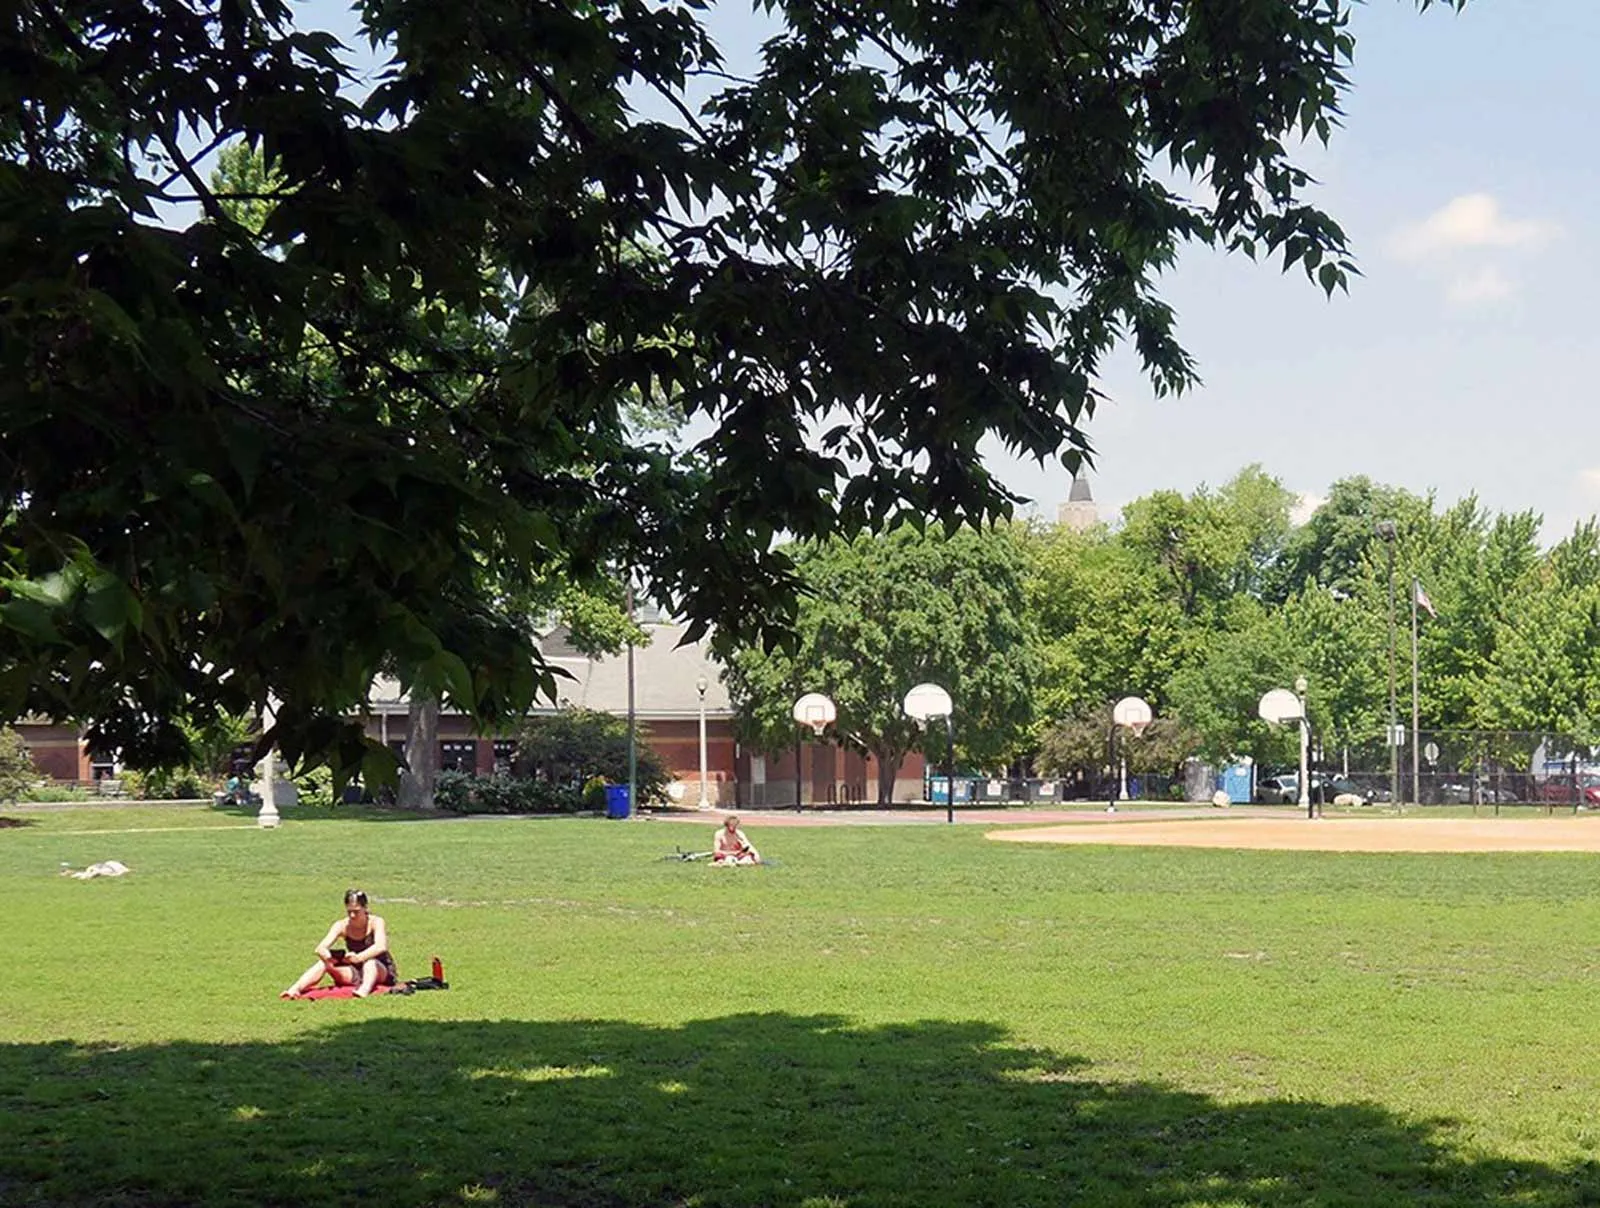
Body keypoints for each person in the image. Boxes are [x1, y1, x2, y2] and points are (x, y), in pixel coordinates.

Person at [281, 888, 398, 998]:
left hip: (379, 969)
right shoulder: (341, 925)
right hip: (354, 971)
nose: (352, 915)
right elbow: (320, 947)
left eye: (356, 911)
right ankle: (294, 989)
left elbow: (380, 946)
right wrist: (328, 956)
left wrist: (359, 957)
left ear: (365, 908)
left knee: (370, 963)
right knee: (323, 963)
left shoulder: (376, 922)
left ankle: (364, 990)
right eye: (349, 911)